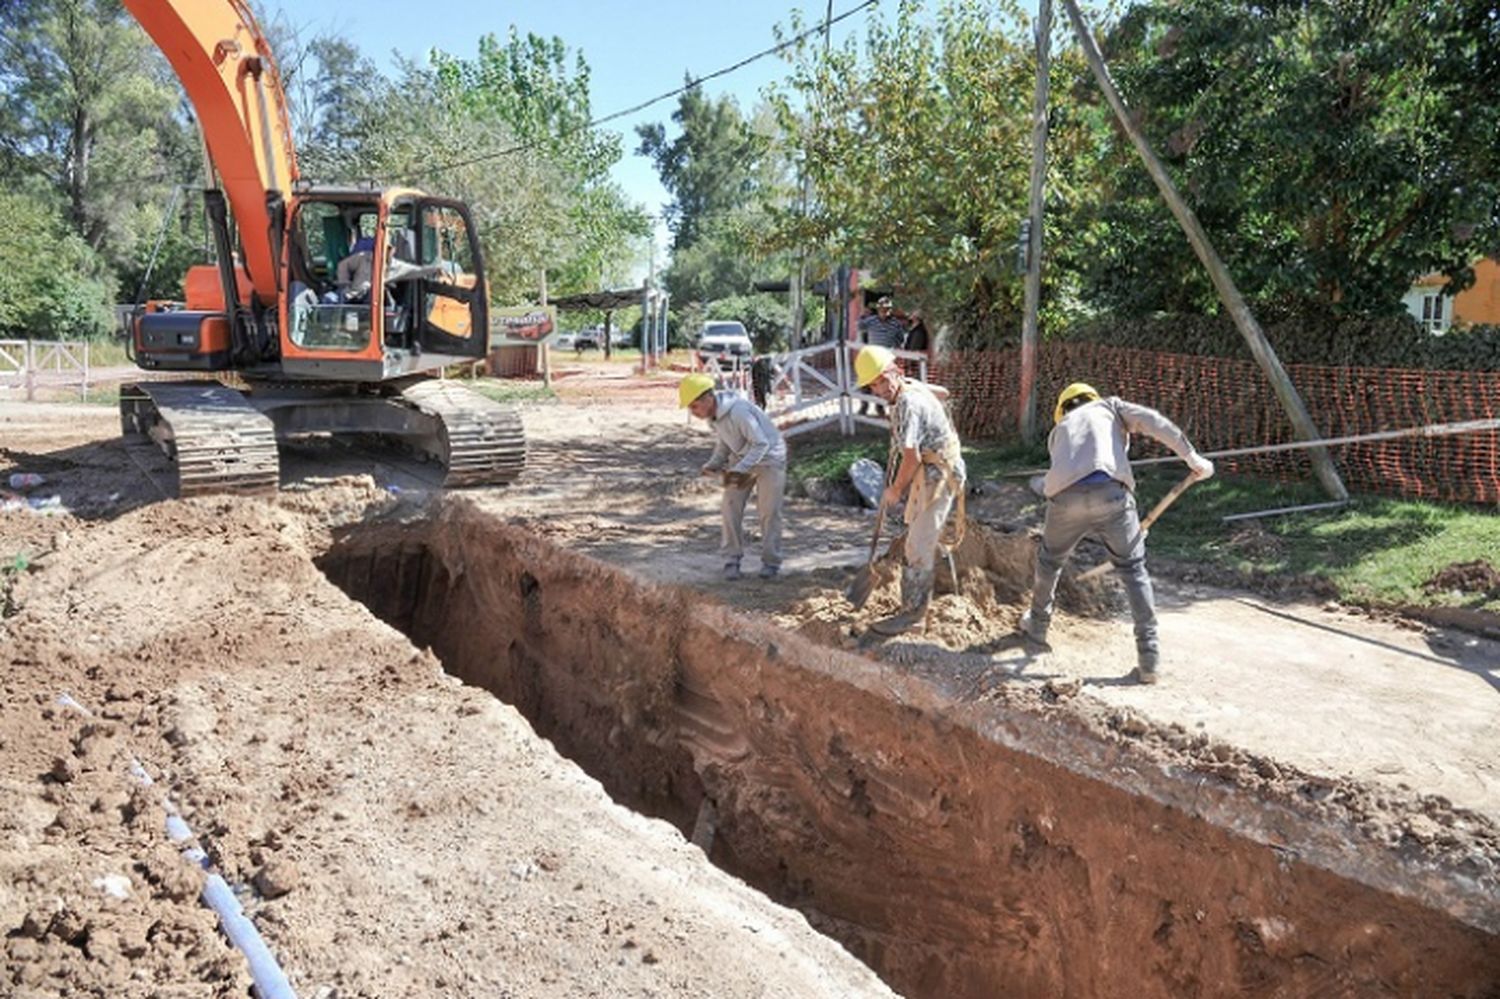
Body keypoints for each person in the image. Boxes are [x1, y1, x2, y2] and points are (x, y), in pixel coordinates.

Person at [1017, 382, 1215, 684]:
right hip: (1113, 496)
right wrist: (1191, 456)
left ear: (1062, 410)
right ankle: (1149, 661)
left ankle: (1038, 626)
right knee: (1133, 569)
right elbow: (1154, 423)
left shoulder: (1059, 431)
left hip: (1063, 501)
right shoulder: (1109, 406)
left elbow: (1057, 477)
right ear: (1091, 399)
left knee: (1049, 561)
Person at [854, 346, 965, 635]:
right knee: (923, 534)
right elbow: (943, 392)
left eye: (881, 381)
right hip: (932, 470)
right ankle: (946, 590)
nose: (878, 389)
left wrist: (895, 489)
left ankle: (913, 616)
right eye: (873, 385)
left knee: (916, 545)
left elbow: (912, 456)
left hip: (938, 473)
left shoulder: (908, 403)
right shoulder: (912, 386)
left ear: (896, 371)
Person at [679, 373, 788, 581]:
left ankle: (771, 563)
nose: (693, 413)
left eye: (694, 407)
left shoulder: (738, 412)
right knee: (730, 507)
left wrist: (739, 469)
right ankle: (732, 559)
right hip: (743, 460)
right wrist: (714, 463)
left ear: (707, 399)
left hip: (770, 460)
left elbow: (761, 444)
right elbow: (725, 443)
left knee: (769, 511)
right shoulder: (714, 417)